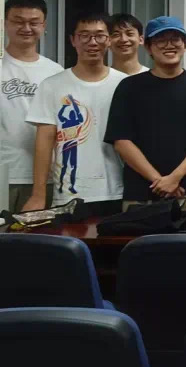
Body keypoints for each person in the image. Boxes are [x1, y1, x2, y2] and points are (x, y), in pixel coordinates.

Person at [105, 16, 186, 211]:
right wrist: (160, 181)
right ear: (148, 47)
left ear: (185, 44)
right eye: (161, 40)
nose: (169, 45)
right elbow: (121, 141)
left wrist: (175, 177)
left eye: (175, 39)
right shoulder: (129, 87)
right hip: (141, 194)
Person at [23, 12, 126, 215]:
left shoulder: (125, 84)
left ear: (109, 40)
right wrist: (38, 195)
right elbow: (44, 142)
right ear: (73, 40)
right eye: (84, 35)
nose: (92, 42)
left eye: (99, 35)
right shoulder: (52, 85)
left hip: (119, 190)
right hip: (69, 195)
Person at [2, 0, 63, 212]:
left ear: (44, 26)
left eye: (34, 22)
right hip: (3, 174)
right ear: (5, 23)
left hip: (44, 179)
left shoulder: (56, 72)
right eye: (18, 21)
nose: (26, 28)